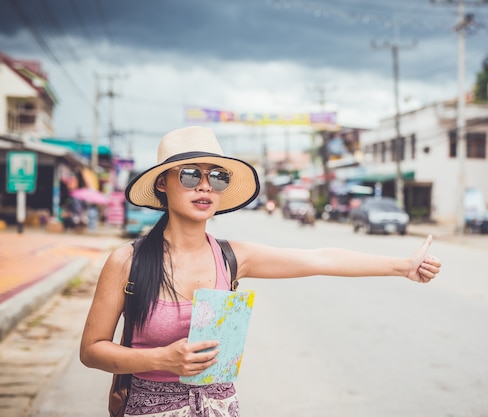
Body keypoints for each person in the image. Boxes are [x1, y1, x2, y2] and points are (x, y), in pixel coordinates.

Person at [79, 126, 442, 417]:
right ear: (163, 183)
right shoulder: (127, 261)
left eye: (217, 177)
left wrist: (402, 267)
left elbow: (321, 259)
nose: (205, 186)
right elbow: (92, 350)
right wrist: (159, 359)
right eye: (190, 175)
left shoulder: (232, 257)